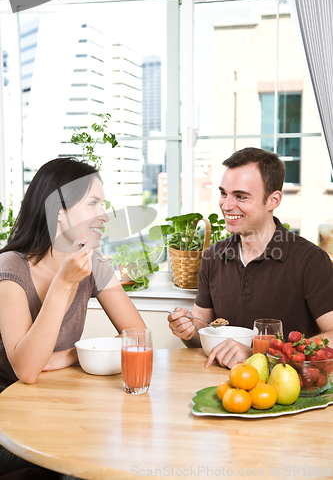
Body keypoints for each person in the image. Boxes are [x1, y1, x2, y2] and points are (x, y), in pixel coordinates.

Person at [0, 157, 146, 479]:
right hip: (10, 418)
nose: (105, 215)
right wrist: (63, 283)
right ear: (59, 210)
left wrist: (68, 356)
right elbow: (27, 369)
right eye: (93, 202)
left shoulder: (91, 262)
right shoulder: (10, 270)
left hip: (58, 406)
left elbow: (137, 336)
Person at [168, 147, 333, 369]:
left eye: (241, 196)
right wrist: (187, 331)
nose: (226, 206)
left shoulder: (311, 260)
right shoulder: (212, 257)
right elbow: (201, 332)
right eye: (224, 193)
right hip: (225, 388)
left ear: (273, 201)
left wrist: (260, 355)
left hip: (288, 392)